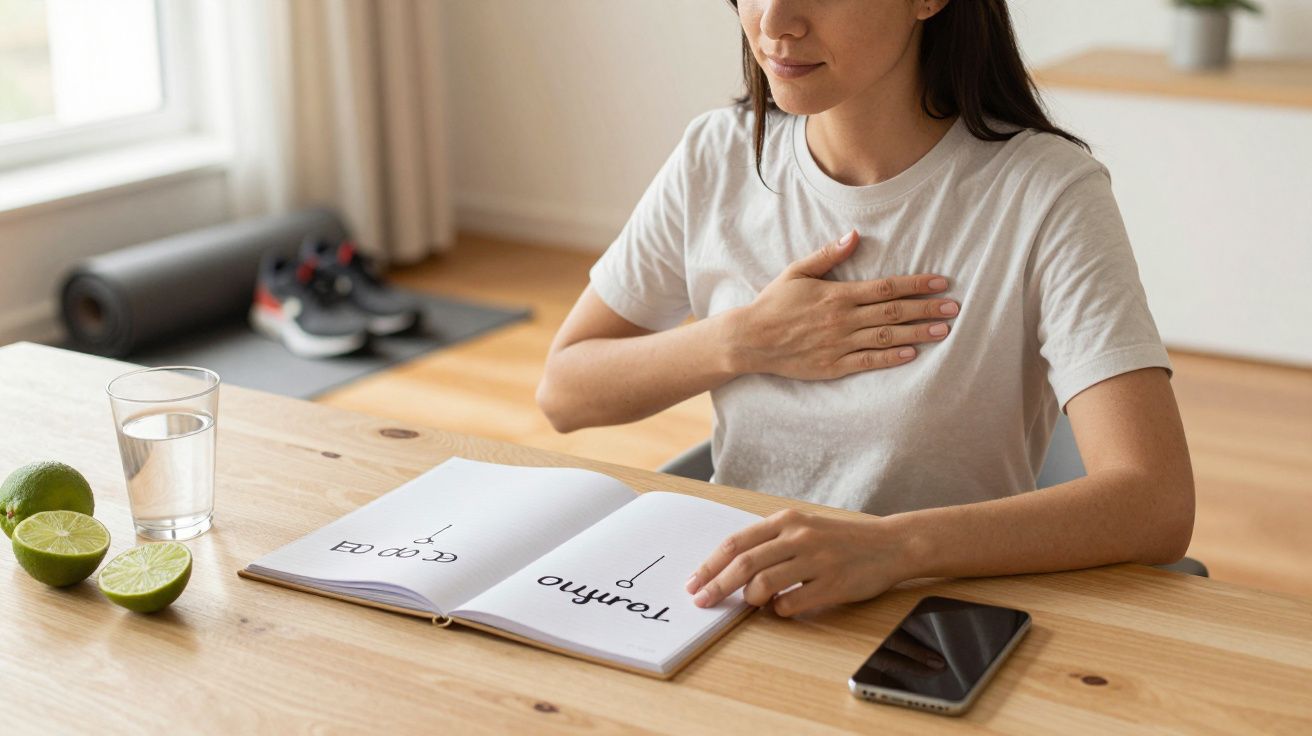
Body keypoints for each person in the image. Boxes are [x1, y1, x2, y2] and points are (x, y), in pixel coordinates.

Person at [536, 0, 1194, 618]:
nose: (775, 22)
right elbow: (564, 392)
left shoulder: (1046, 193)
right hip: (737, 603)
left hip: (935, 618)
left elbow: (1155, 501)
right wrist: (740, 340)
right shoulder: (718, 155)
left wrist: (895, 548)